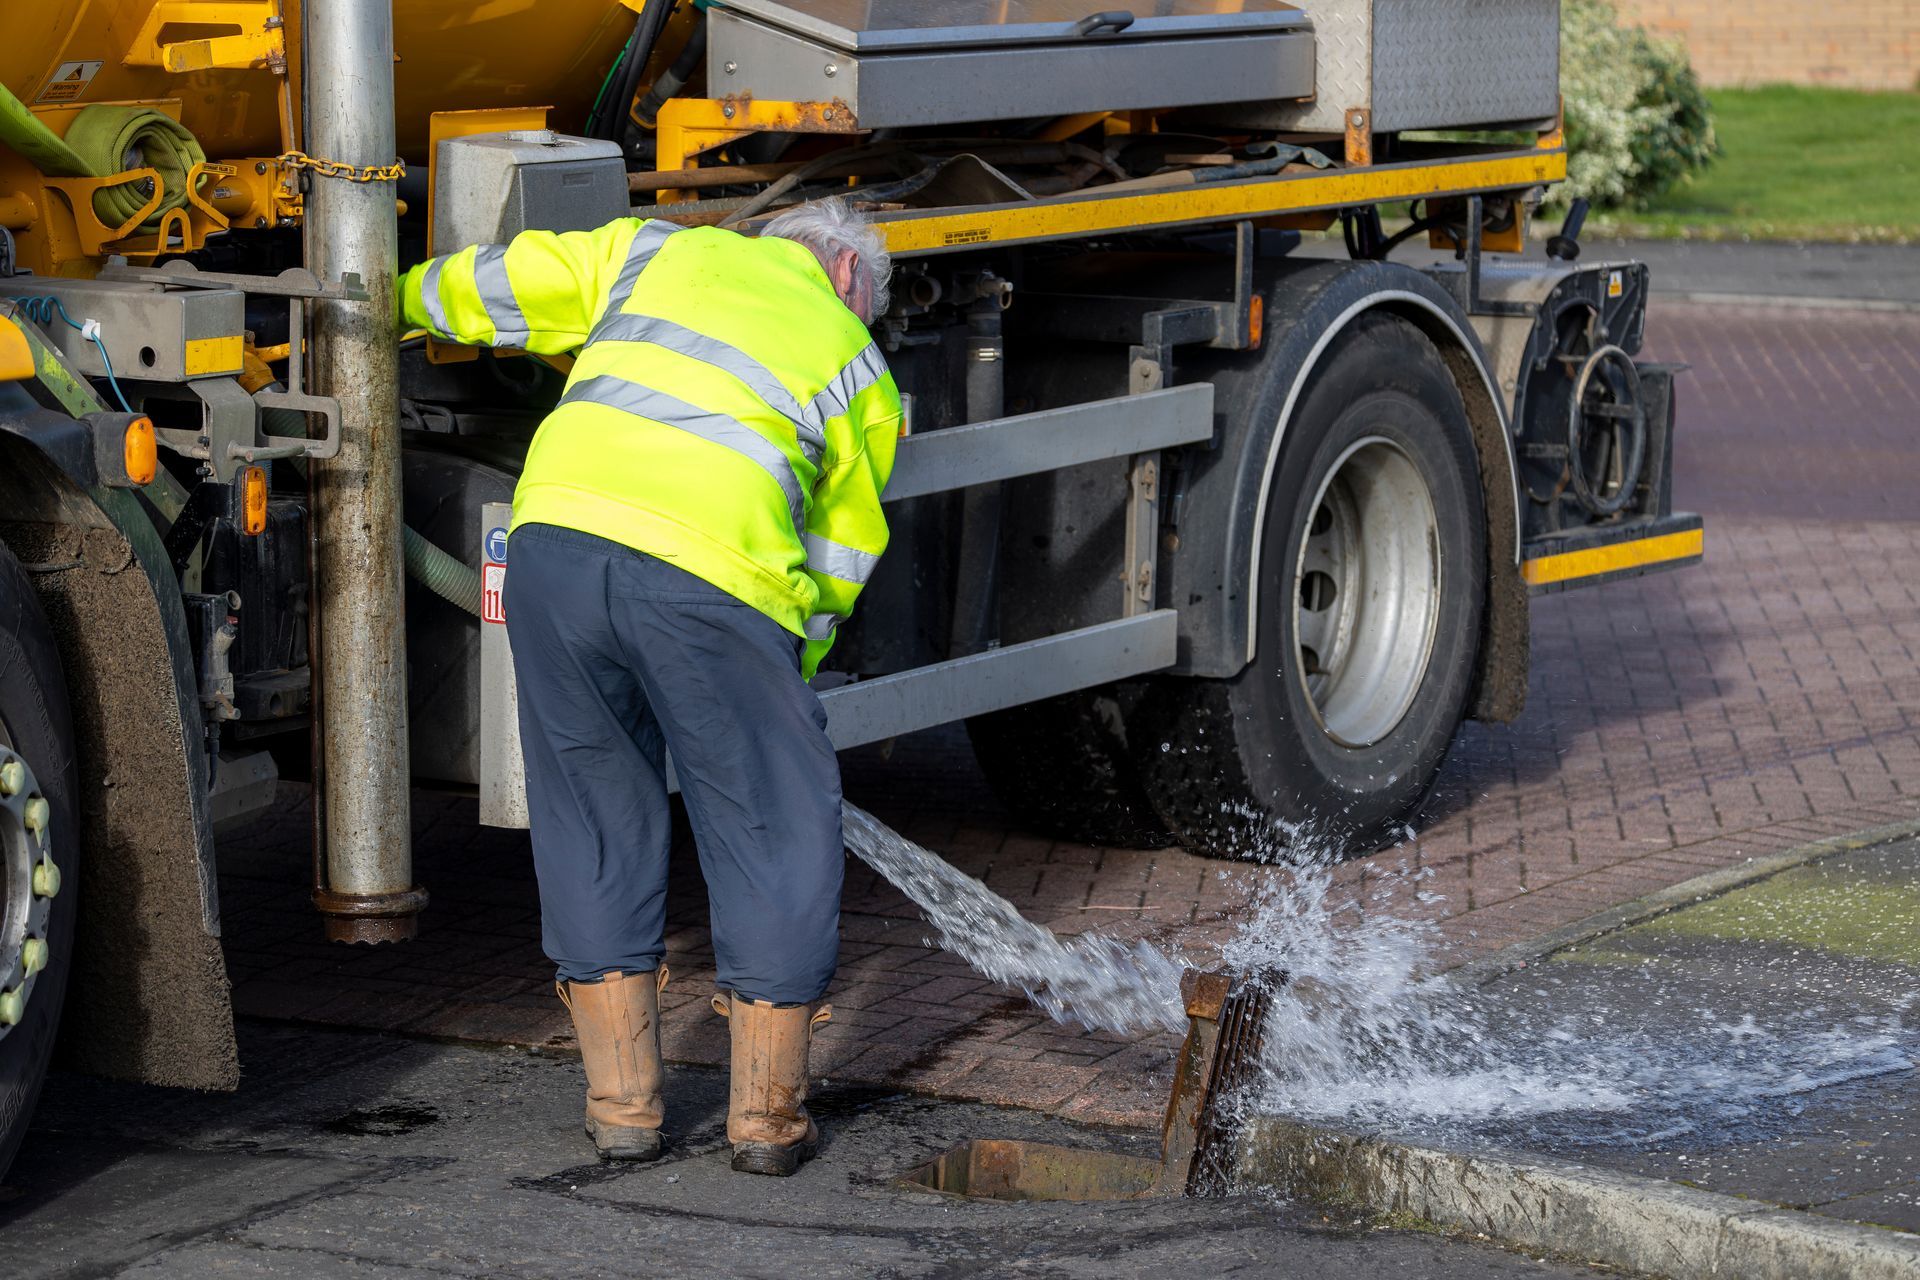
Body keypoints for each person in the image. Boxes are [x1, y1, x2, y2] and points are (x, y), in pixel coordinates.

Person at [397, 199, 899, 1176]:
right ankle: (764, 1121)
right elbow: (840, 552)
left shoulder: (649, 250)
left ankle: (622, 1106)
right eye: (867, 303)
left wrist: (394, 295)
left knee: (592, 808)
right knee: (770, 821)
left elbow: (496, 283)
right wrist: (786, 662)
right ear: (845, 274)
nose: (863, 317)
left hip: (557, 549)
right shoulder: (857, 365)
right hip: (713, 578)